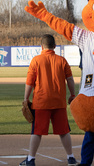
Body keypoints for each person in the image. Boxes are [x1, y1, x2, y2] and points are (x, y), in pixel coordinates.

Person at [20, 34, 77, 166]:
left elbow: (29, 82)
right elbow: (70, 80)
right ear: (55, 47)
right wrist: (72, 94)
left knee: (37, 132)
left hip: (41, 103)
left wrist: (26, 98)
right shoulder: (62, 60)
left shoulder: (36, 60)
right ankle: (71, 158)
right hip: (59, 102)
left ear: (41, 47)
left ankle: (30, 159)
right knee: (64, 131)